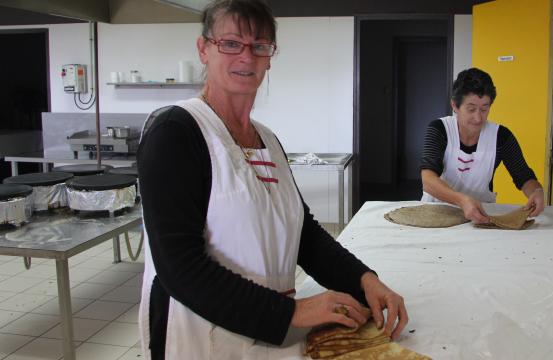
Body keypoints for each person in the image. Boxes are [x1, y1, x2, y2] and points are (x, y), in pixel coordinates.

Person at [137, 0, 407, 358]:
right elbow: (179, 267)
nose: (246, 57)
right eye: (230, 43)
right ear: (204, 49)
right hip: (199, 338)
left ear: (269, 57)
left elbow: (303, 235)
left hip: (268, 333)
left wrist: (364, 280)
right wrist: (296, 312)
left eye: (260, 46)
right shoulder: (176, 132)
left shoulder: (268, 139)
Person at [420, 67, 545, 223]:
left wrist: (537, 191)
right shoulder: (439, 129)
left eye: (484, 109)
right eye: (471, 109)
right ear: (455, 105)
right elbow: (428, 180)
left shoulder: (501, 136)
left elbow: (523, 176)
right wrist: (462, 201)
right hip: (436, 211)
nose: (478, 118)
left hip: (480, 215)